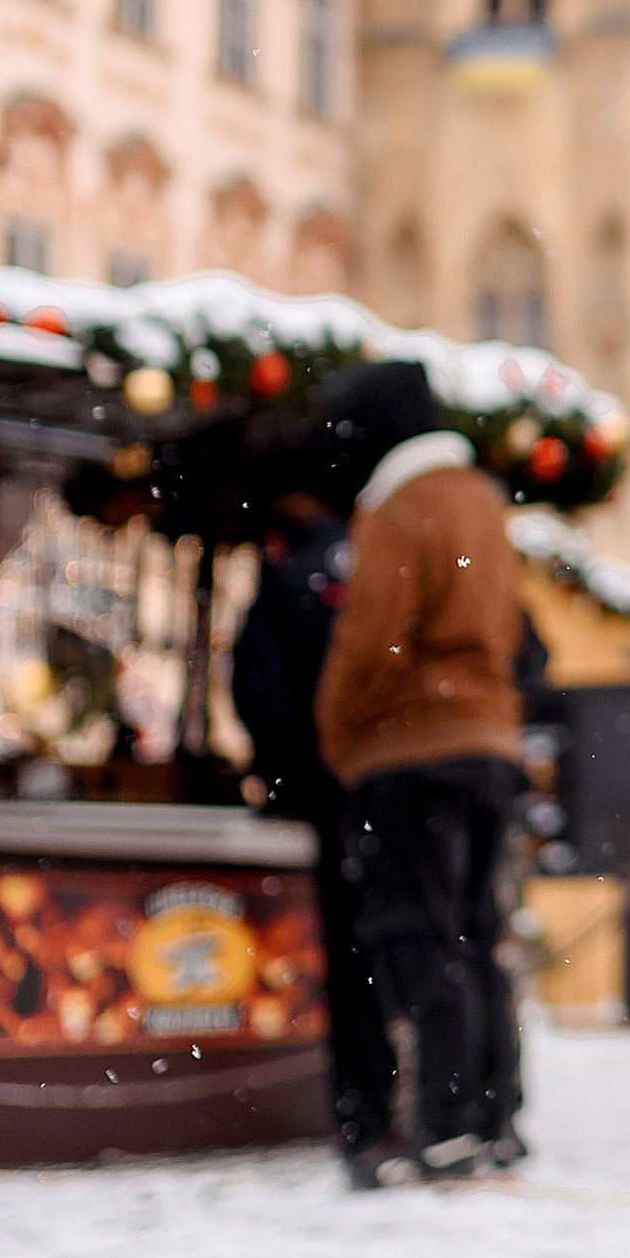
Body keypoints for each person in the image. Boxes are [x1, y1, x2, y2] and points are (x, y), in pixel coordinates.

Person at [313, 358, 526, 1184]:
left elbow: (372, 643)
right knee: (479, 938)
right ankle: (494, 1118)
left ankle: (441, 1129)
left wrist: (336, 737)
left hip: (412, 753)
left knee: (424, 938)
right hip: (489, 744)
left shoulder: (397, 510)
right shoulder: (481, 503)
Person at [229, 489, 392, 1174]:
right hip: (399, 783)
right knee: (428, 946)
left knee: (355, 965)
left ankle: (369, 1118)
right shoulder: (382, 558)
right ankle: (458, 1109)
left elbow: (255, 683)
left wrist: (285, 768)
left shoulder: (287, 580)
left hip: (333, 791)